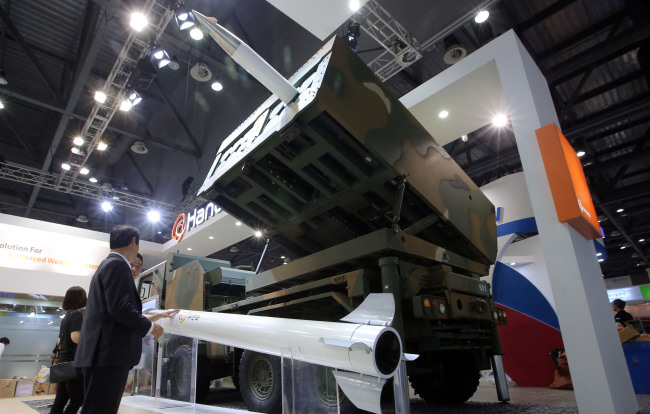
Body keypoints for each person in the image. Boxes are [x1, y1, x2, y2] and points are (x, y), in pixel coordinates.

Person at [74, 225, 176, 414]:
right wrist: (149, 327)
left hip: (102, 354)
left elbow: (113, 308)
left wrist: (154, 317)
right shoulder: (117, 264)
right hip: (108, 355)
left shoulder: (107, 264)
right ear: (132, 242)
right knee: (101, 408)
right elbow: (119, 308)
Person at [50, 286, 87, 414]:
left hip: (63, 361)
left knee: (61, 398)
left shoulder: (67, 316)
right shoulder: (77, 315)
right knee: (78, 399)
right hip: (73, 362)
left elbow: (60, 341)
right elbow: (75, 337)